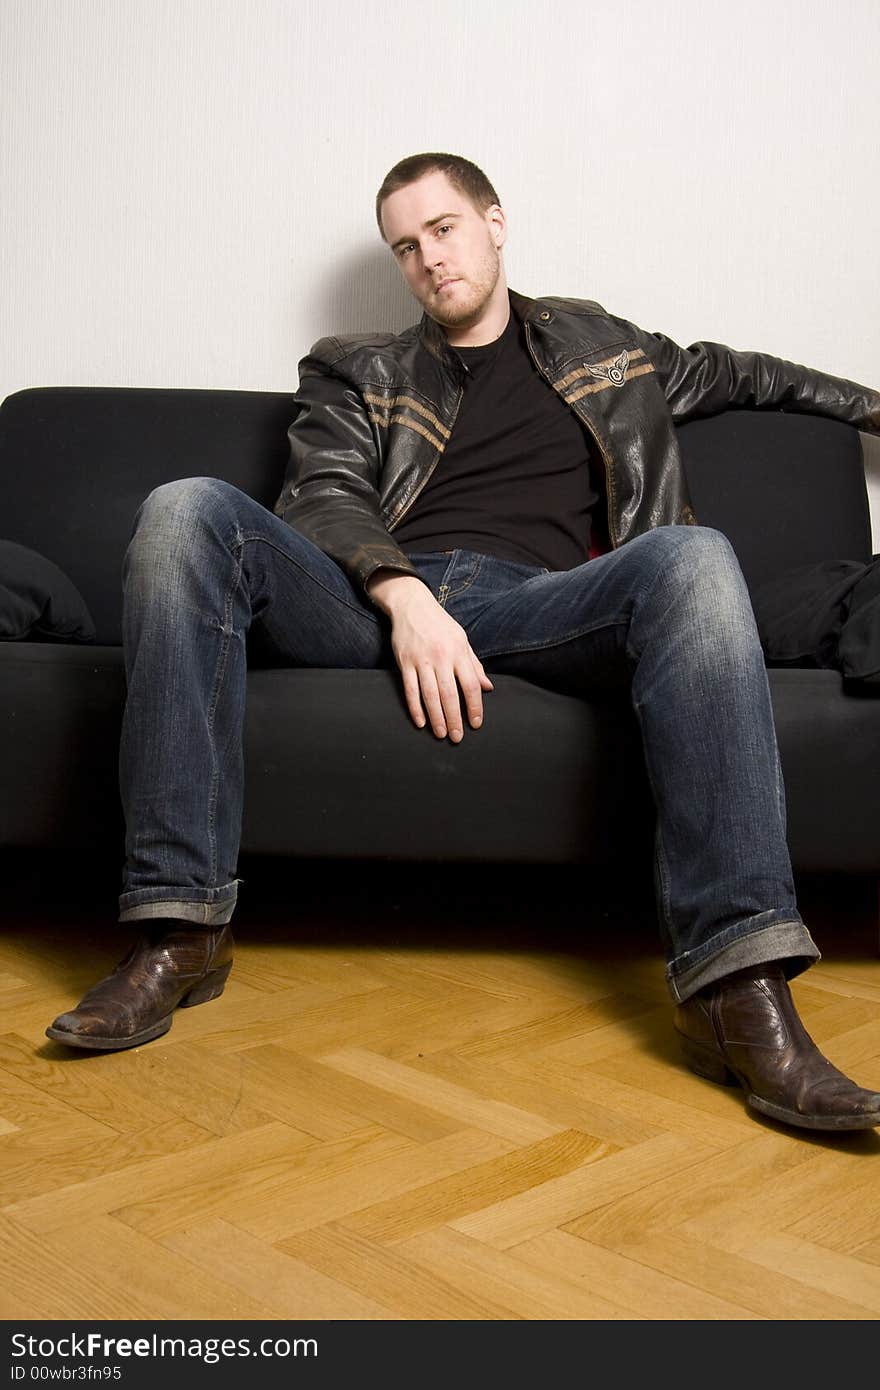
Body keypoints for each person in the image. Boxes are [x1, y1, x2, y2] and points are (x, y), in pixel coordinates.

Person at [46, 152, 880, 1135]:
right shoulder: (359, 365)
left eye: (440, 229)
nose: (426, 259)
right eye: (405, 245)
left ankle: (737, 992)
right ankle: (178, 934)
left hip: (543, 603)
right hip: (368, 600)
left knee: (692, 555)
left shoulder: (605, 344)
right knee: (187, 511)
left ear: (493, 222)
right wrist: (401, 594)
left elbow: (753, 374)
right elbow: (323, 494)